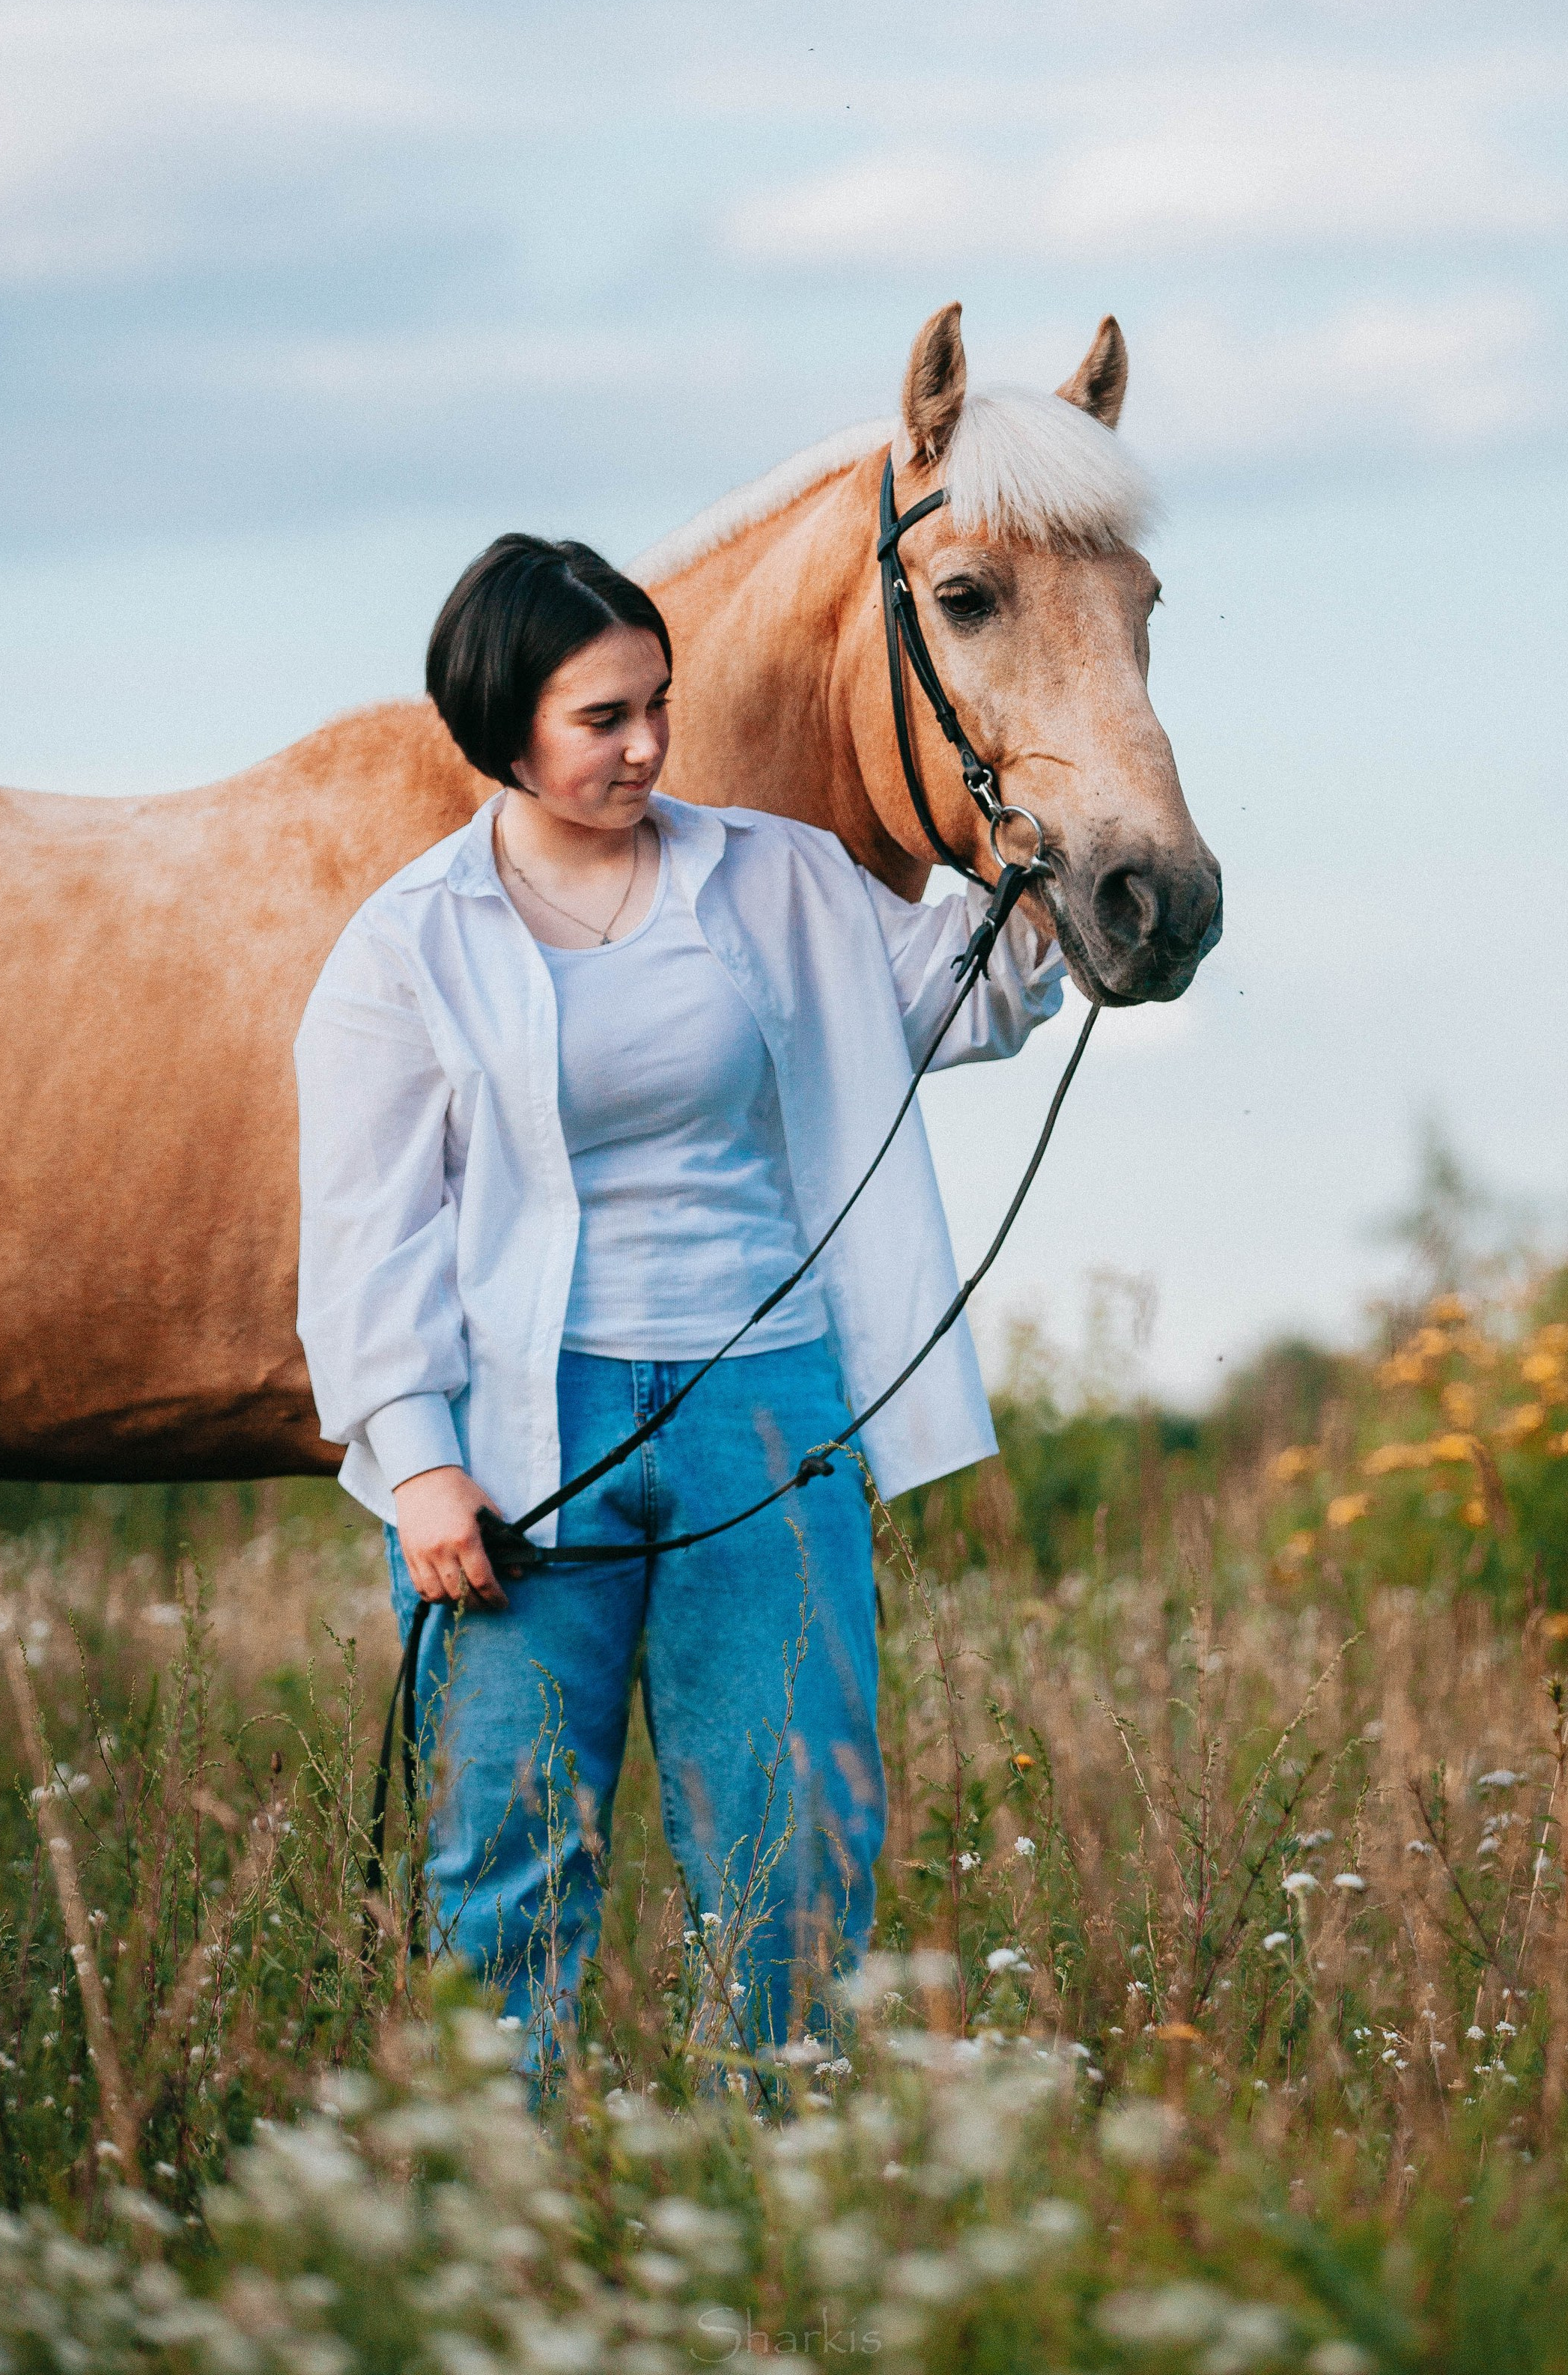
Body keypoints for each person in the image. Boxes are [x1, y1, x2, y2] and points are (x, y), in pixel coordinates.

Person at [294, 532, 1063, 2066]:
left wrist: (1060, 867)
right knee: (501, 1868)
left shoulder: (774, 875)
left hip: (767, 1417)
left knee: (792, 1855)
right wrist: (418, 1455)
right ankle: (505, 2233)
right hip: (523, 1441)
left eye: (657, 703)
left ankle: (771, 2225)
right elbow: (368, 1227)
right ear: (504, 721)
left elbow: (954, 994)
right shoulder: (410, 940)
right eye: (602, 718)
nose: (647, 743)